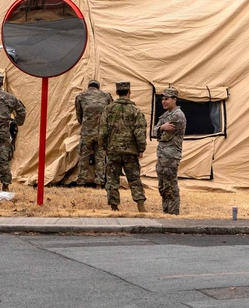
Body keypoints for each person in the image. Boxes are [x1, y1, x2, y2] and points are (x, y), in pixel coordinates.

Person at [99, 81, 147, 212]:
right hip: (130, 151)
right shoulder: (135, 110)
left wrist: (103, 147)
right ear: (129, 92)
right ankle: (140, 205)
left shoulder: (108, 109)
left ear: (116, 93)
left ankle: (114, 206)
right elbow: (139, 131)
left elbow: (102, 130)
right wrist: (141, 148)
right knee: (134, 178)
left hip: (112, 150)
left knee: (112, 179)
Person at [152, 87, 186, 215]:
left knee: (170, 186)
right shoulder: (166, 115)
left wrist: (160, 130)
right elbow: (155, 132)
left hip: (171, 156)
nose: (163, 102)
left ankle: (173, 213)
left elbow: (164, 137)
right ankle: (166, 212)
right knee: (163, 186)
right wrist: (162, 127)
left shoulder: (177, 116)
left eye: (167, 99)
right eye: (162, 99)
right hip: (162, 155)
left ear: (174, 100)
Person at [75, 79, 113, 187]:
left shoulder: (81, 96)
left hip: (87, 132)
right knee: (100, 158)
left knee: (83, 158)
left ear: (89, 86)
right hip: (101, 133)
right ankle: (99, 184)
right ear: (98, 87)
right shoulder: (106, 96)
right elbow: (110, 114)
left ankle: (81, 182)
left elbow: (79, 116)